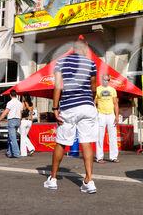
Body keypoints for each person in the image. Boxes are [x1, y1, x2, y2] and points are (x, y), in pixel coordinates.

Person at [44, 39, 98, 194]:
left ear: (73, 49)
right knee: (86, 143)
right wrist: (90, 100)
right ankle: (89, 180)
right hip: (87, 106)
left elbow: (58, 86)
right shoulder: (91, 63)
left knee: (62, 142)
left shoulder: (61, 62)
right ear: (85, 49)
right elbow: (93, 87)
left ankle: (53, 179)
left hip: (69, 107)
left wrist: (55, 108)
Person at [95, 74, 119, 163]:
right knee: (99, 136)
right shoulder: (97, 89)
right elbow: (94, 103)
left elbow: (116, 103)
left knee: (113, 136)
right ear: (102, 80)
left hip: (111, 115)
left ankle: (114, 157)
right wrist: (94, 114)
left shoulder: (112, 90)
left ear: (109, 80)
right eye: (104, 79)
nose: (105, 81)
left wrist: (116, 116)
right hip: (100, 114)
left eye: (107, 80)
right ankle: (99, 157)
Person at [0, 90, 22, 158]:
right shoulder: (20, 103)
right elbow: (21, 112)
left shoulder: (10, 102)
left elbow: (5, 112)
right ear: (16, 95)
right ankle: (9, 153)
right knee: (10, 137)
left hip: (12, 120)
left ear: (10, 95)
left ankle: (16, 153)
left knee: (12, 138)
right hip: (18, 120)